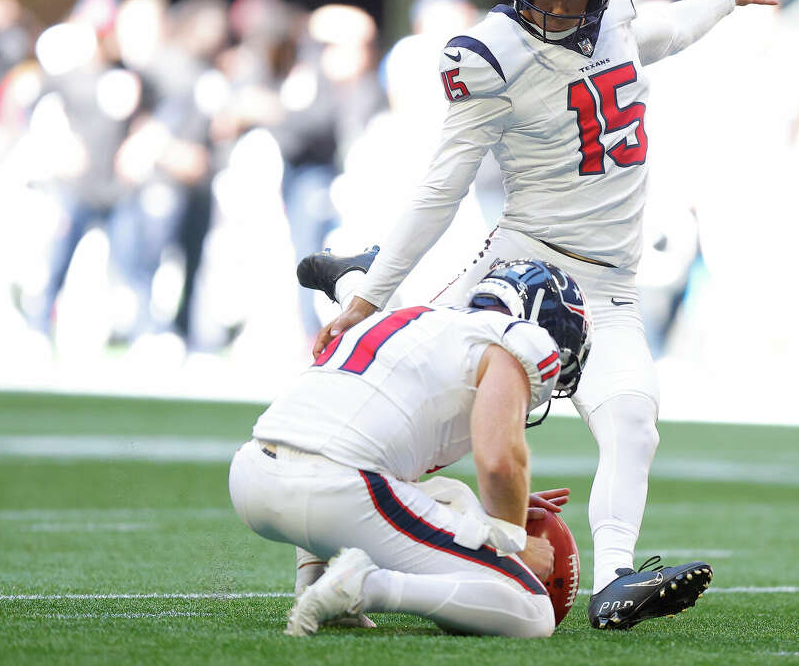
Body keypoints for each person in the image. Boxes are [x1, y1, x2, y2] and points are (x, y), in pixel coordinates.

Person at [302, 0, 773, 630]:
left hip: (612, 285)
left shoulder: (614, 12)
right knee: (428, 421)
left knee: (632, 421)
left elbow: (668, 28)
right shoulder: (491, 53)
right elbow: (443, 185)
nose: (557, 2)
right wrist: (370, 301)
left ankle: (615, 579)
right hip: (524, 270)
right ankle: (322, 555)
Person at [229, 259, 595, 637]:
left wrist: (497, 507)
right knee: (531, 611)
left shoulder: (411, 320)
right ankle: (366, 587)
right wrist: (512, 541)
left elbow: (378, 449)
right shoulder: (522, 339)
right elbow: (500, 462)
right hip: (333, 490)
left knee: (357, 451)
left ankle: (314, 579)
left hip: (251, 476)